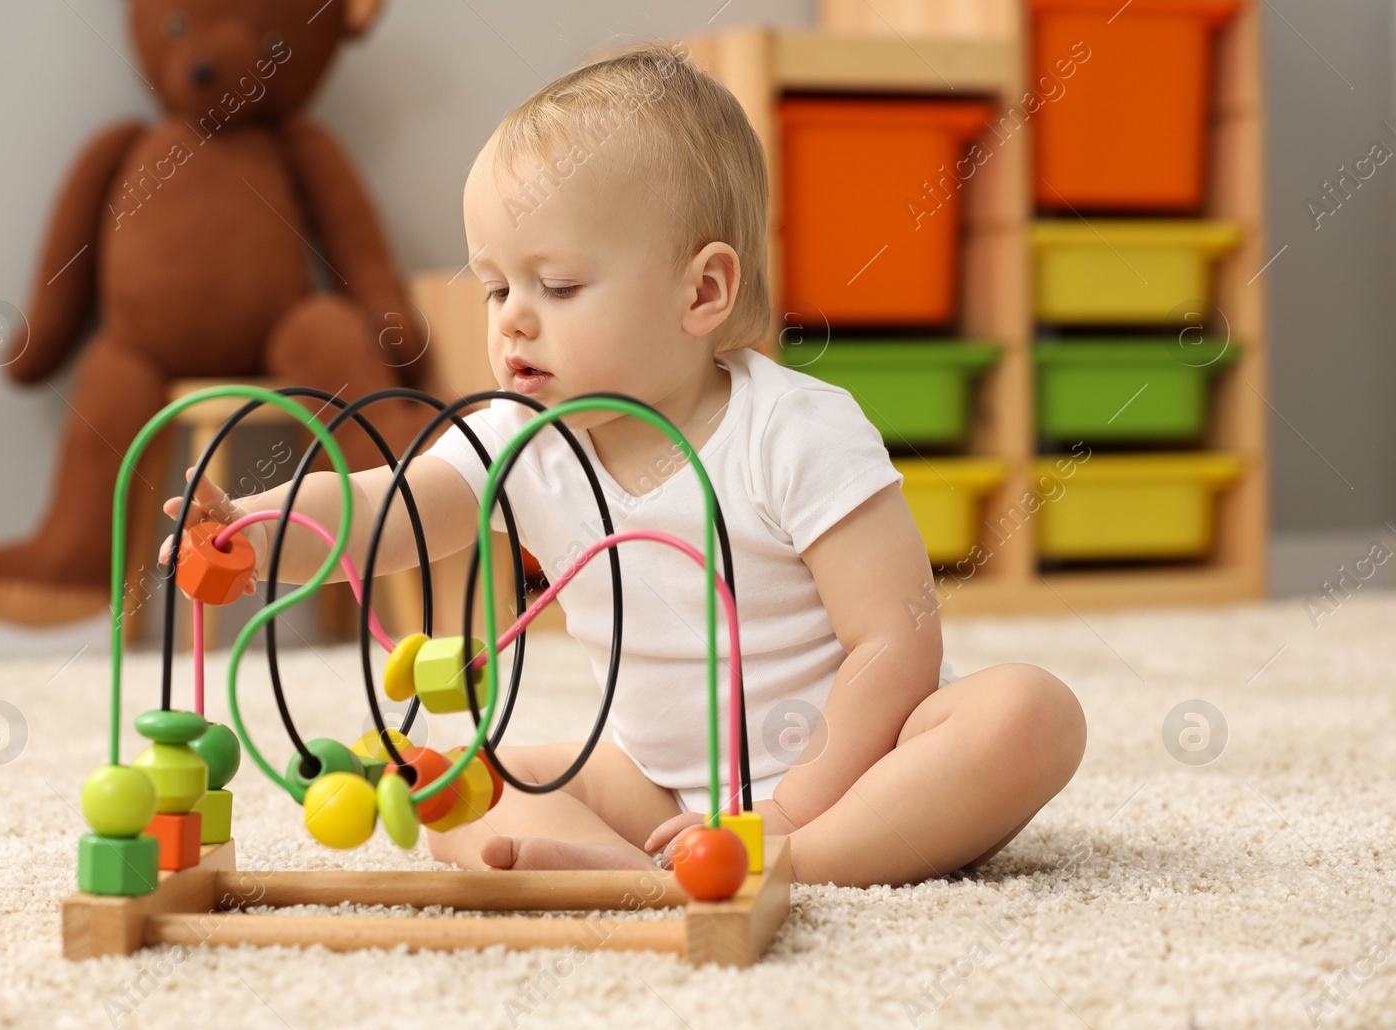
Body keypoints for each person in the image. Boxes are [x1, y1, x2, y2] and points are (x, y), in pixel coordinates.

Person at [162, 44, 1085, 888]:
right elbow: (385, 510)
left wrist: (792, 811)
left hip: (853, 772)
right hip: (657, 786)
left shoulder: (793, 430)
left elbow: (896, 640)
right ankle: (629, 872)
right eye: (495, 286)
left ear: (702, 291)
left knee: (1028, 714)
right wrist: (249, 525)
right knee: (452, 782)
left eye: (557, 286)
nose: (513, 319)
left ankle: (800, 864)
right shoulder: (518, 435)